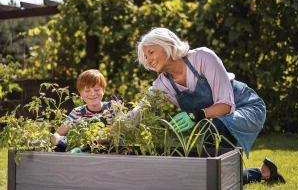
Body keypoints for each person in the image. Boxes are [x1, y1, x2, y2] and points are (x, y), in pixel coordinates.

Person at [135, 27, 285, 185]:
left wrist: (195, 115)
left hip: (246, 107)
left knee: (213, 132)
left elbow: (226, 105)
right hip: (214, 120)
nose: (148, 60)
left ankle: (219, 181)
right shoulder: (163, 84)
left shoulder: (202, 57)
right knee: (209, 168)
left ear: (169, 44)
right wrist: (108, 133)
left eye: (151, 52)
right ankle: (263, 173)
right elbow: (138, 112)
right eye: (145, 57)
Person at [51, 69, 121, 153]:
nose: (92, 94)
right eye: (87, 91)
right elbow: (56, 134)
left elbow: (121, 131)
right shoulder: (77, 113)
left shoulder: (111, 109)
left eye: (97, 89)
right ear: (80, 93)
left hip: (108, 155)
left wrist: (119, 113)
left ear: (104, 89)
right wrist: (59, 140)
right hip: (82, 156)